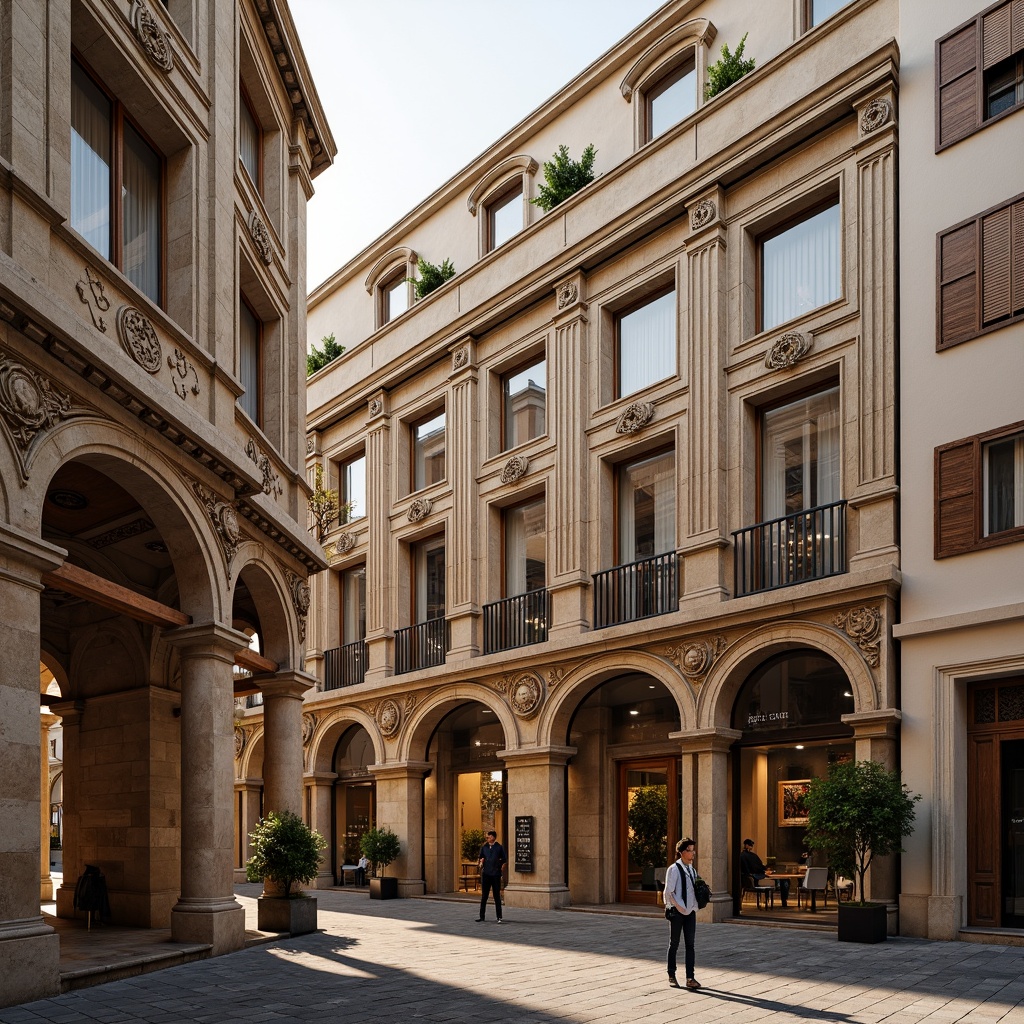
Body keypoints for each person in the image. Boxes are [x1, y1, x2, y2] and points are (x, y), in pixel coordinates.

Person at [662, 837, 701, 990]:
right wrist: (678, 907)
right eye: (690, 850)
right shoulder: (673, 869)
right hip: (678, 912)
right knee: (674, 944)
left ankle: (690, 978)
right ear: (681, 852)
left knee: (690, 945)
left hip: (690, 912)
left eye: (693, 850)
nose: (693, 854)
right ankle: (671, 974)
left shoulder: (692, 869)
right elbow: (669, 892)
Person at [740, 838, 789, 907]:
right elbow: (758, 866)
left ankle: (777, 896)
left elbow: (756, 866)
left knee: (783, 880)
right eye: (750, 845)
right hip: (755, 877)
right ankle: (784, 899)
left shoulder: (743, 856)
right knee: (785, 881)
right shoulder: (752, 856)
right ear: (747, 845)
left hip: (749, 878)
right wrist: (765, 870)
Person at [475, 829, 507, 923]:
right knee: (484, 895)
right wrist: (481, 862)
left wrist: (500, 868)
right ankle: (482, 916)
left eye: (488, 837)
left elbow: (504, 860)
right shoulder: (484, 847)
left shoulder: (499, 847)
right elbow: (481, 857)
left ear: (493, 837)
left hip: (495, 874)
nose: (487, 838)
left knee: (496, 896)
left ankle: (499, 917)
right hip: (486, 874)